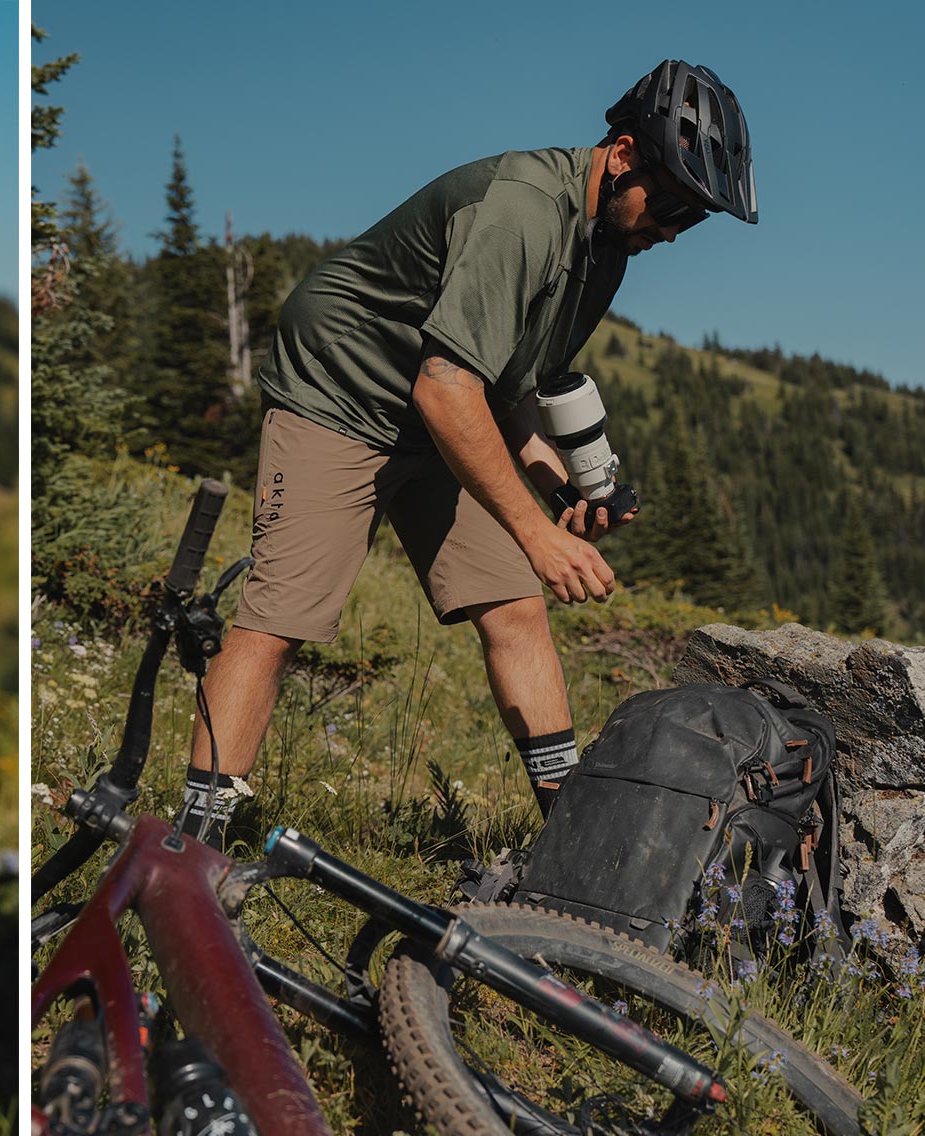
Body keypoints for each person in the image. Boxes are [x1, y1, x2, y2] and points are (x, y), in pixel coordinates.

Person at [178, 60, 757, 844]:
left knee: (516, 609)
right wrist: (536, 533)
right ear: (622, 155)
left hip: (442, 408)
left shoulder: (607, 248)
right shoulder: (522, 209)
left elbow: (510, 386)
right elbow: (447, 389)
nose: (674, 230)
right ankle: (189, 849)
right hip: (340, 389)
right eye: (674, 204)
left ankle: (570, 841)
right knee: (277, 621)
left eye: (695, 220)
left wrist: (561, 494)